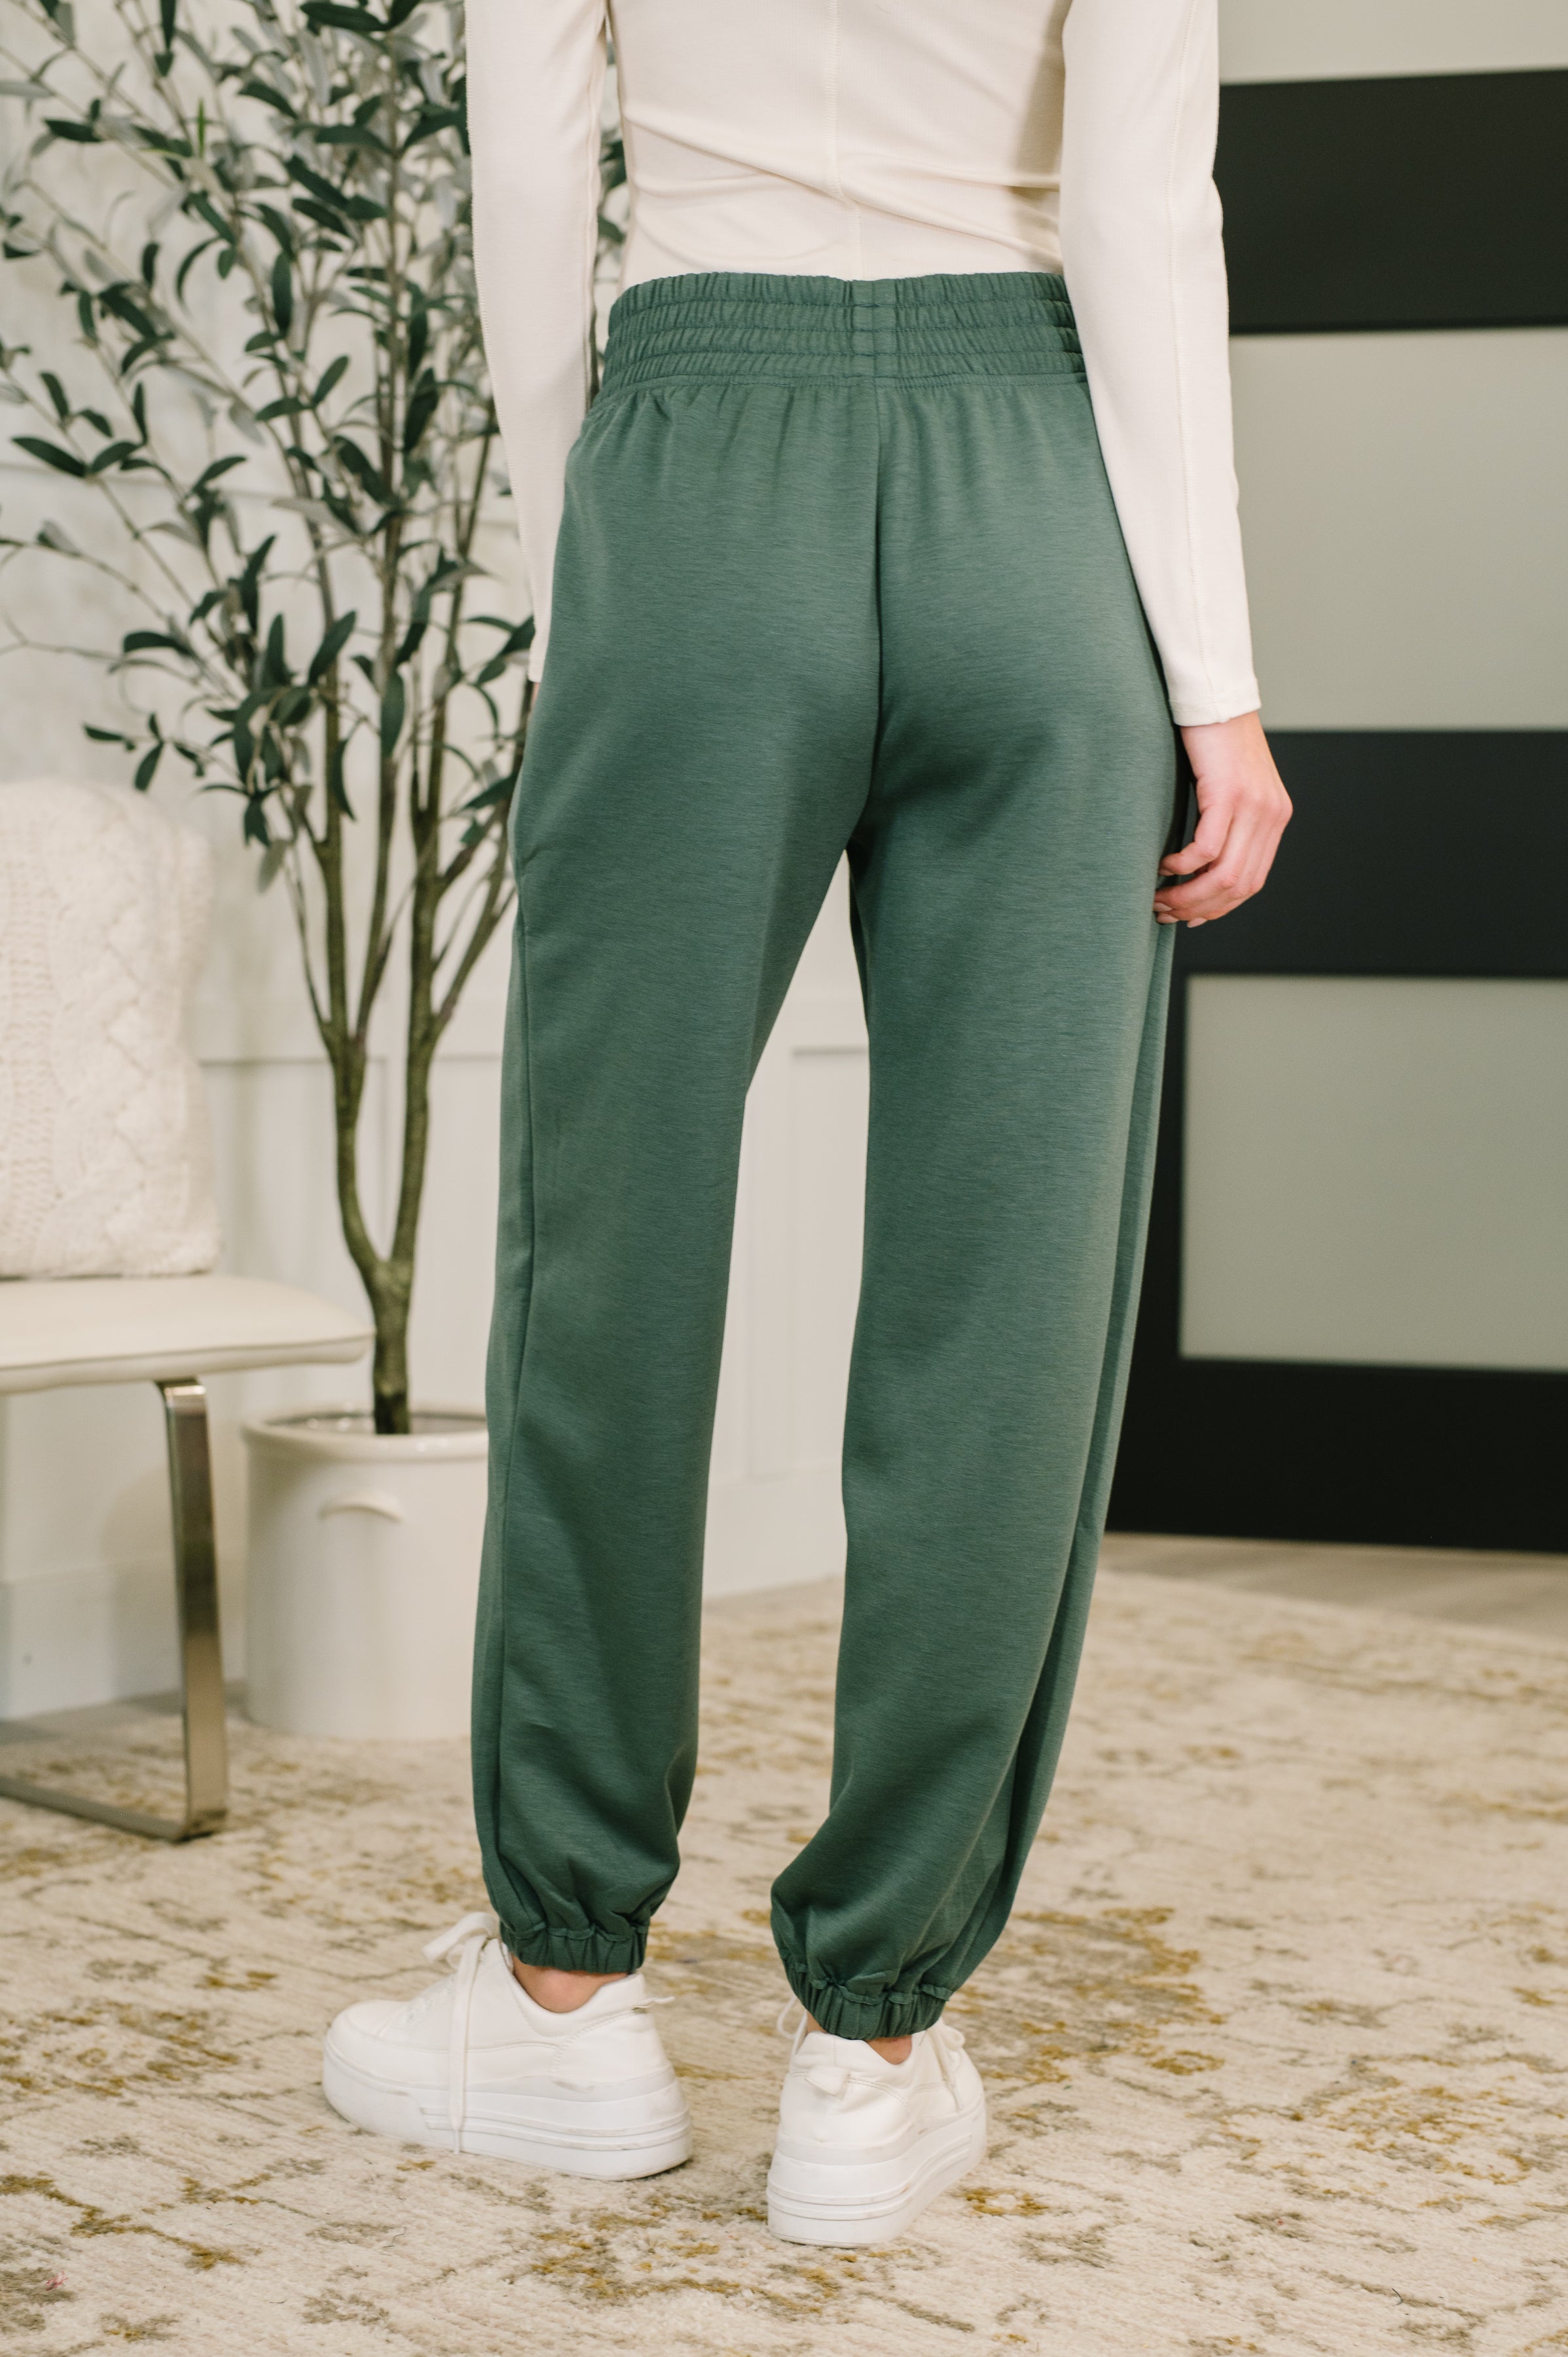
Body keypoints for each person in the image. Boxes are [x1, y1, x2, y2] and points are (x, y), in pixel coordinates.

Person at [323, 0, 1291, 2246]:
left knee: (611, 1252)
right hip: (1035, 489)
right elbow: (1142, 209)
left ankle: (564, 1995)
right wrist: (1212, 676)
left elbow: (533, 167)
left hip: (693, 452)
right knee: (1007, 1282)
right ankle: (870, 2042)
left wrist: (603, 561)